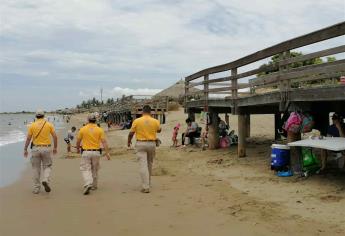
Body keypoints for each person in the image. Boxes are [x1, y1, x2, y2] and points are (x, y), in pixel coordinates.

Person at [128, 105, 161, 193]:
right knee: (149, 164)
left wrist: (128, 142)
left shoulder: (137, 121)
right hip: (152, 144)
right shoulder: (155, 121)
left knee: (143, 164)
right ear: (151, 112)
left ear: (143, 111)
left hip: (141, 144)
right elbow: (159, 130)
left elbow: (131, 133)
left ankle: (145, 186)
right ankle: (148, 183)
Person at [23, 109, 58, 194]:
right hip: (46, 148)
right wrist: (55, 148)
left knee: (35, 168)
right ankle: (45, 179)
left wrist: (25, 149)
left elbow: (28, 138)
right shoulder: (49, 124)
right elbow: (55, 137)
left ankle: (36, 188)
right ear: (44, 116)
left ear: (36, 116)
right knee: (48, 166)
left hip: (35, 149)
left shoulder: (32, 125)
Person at [76, 113, 110, 195]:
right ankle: (94, 185)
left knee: (85, 168)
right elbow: (104, 142)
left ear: (88, 120)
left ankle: (88, 183)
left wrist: (77, 149)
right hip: (96, 152)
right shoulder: (99, 129)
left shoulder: (83, 129)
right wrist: (107, 153)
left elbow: (78, 141)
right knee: (95, 169)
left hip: (86, 151)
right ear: (95, 120)